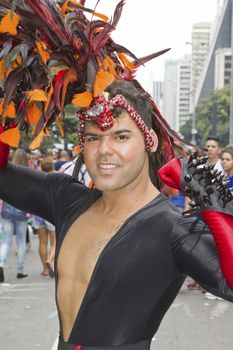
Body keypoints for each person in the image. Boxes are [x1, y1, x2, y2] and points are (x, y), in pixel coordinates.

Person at [0, 2, 233, 350]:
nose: (104, 150)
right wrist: (11, 97)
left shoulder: (173, 230)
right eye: (93, 138)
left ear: (149, 140)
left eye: (121, 137)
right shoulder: (66, 198)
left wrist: (216, 205)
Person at [0, 149, 29, 282]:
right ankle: (20, 270)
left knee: (6, 240)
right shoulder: (28, 174)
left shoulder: (6, 170)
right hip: (21, 210)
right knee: (21, 241)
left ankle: (0, 263)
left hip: (7, 209)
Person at [33, 156, 57, 277]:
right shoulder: (57, 178)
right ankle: (50, 260)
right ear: (52, 166)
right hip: (51, 213)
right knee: (54, 242)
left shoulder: (36, 179)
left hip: (38, 213)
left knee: (42, 242)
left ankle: (45, 269)